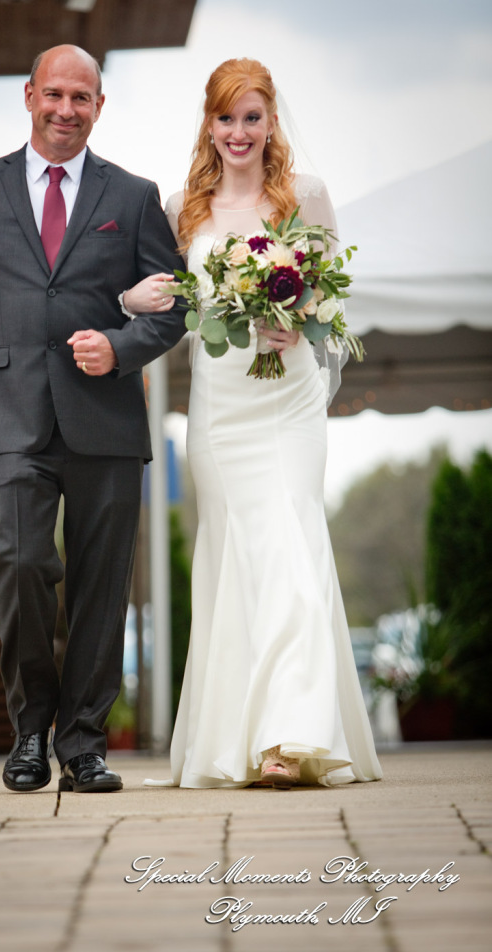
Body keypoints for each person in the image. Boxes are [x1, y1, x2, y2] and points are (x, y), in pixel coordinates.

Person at [0, 44, 186, 793]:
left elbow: (175, 308)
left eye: (82, 98)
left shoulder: (132, 197)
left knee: (102, 585)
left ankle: (85, 744)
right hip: (9, 416)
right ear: (29, 95)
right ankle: (29, 730)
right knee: (22, 562)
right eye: (55, 95)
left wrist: (122, 347)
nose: (66, 110)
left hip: (104, 418)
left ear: (99, 107)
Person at [124, 58, 382, 788]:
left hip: (290, 401)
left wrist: (302, 322)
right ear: (208, 123)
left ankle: (289, 739)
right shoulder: (185, 209)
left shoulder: (305, 197)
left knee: (291, 547)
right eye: (226, 117)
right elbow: (172, 308)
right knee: (236, 558)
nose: (239, 131)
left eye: (252, 116)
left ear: (271, 122)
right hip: (221, 408)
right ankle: (239, 736)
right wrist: (128, 303)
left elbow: (334, 303)